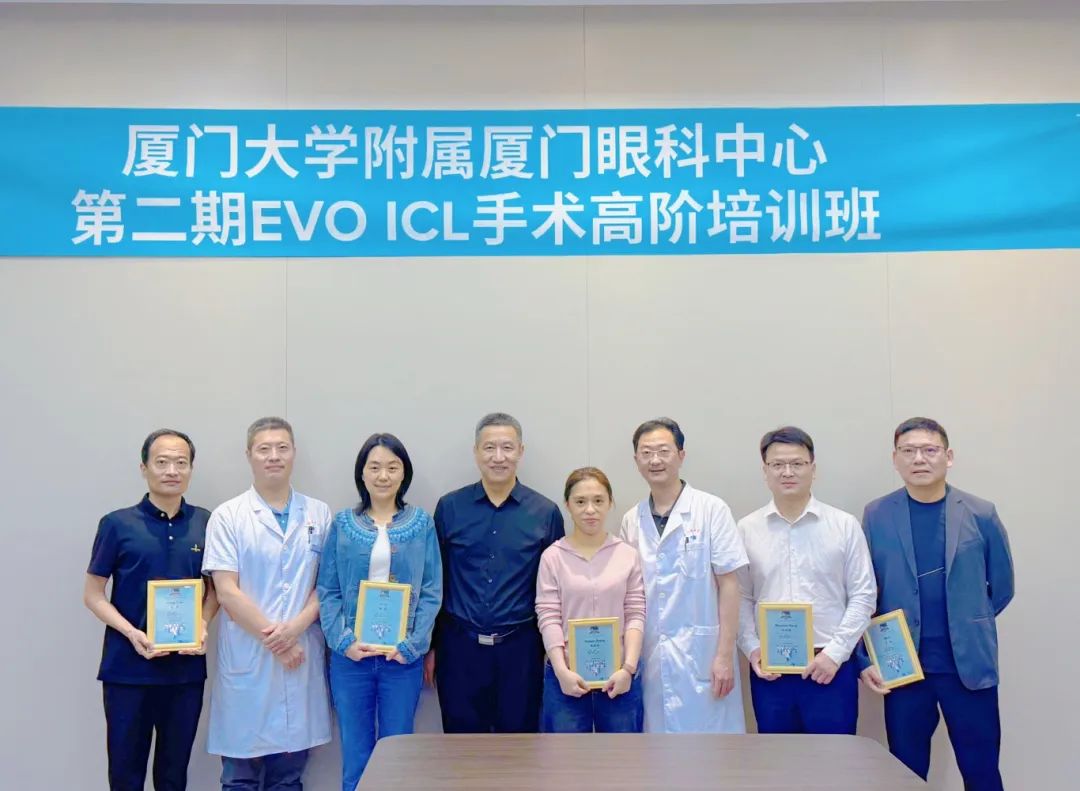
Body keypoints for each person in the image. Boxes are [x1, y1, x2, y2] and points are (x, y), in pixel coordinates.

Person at [859, 417, 1014, 790]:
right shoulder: (877, 514)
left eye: (929, 450)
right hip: (904, 668)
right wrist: (867, 658)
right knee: (906, 771)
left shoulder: (981, 512)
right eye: (908, 451)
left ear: (949, 456)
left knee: (981, 770)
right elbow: (866, 591)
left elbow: (1002, 587)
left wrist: (966, 620)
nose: (919, 459)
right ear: (895, 459)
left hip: (968, 668)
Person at [202, 417, 332, 791]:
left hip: (299, 654)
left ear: (294, 453)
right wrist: (278, 641)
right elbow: (226, 591)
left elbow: (327, 585)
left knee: (288, 778)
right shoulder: (228, 516)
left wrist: (295, 630)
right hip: (250, 657)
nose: (274, 456)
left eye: (282, 448)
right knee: (239, 778)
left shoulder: (319, 514)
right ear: (249, 455)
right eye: (264, 449)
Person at [84, 429, 218, 791]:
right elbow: (93, 594)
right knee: (125, 775)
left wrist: (203, 624)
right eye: (162, 462)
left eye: (181, 462)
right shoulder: (116, 524)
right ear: (144, 468)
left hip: (185, 672)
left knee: (174, 776)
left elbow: (215, 591)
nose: (172, 470)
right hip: (127, 671)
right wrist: (132, 633)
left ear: (190, 469)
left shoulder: (207, 523)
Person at [317, 433, 442, 791]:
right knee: (356, 756)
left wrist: (412, 645)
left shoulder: (422, 524)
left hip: (401, 661)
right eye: (374, 467)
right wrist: (343, 641)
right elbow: (328, 589)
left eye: (392, 467)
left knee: (397, 756)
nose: (383, 476)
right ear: (362, 473)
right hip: (351, 660)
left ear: (404, 474)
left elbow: (432, 590)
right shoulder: (343, 524)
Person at [427, 412, 564, 733]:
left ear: (520, 451)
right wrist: (431, 647)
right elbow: (435, 581)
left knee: (519, 749)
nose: (498, 457)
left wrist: (554, 650)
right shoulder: (450, 508)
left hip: (522, 652)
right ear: (476, 452)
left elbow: (557, 590)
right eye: (489, 448)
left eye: (507, 447)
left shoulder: (545, 513)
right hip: (459, 650)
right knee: (462, 749)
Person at [736, 426, 876, 735]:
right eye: (777, 464)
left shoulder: (844, 525)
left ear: (813, 469)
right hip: (771, 669)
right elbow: (741, 597)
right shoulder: (746, 529)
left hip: (830, 666)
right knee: (778, 759)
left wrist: (835, 654)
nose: (787, 472)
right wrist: (753, 649)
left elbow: (863, 595)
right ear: (765, 471)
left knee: (835, 758)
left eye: (797, 463)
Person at [618, 417, 749, 733]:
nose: (655, 460)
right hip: (653, 655)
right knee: (657, 748)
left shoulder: (711, 509)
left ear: (681, 455)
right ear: (636, 460)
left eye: (664, 451)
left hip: (704, 655)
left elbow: (730, 585)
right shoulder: (631, 520)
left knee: (711, 749)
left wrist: (724, 655)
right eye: (646, 453)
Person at [536, 467, 646, 733]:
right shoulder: (552, 557)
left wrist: (628, 668)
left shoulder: (627, 555)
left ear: (610, 503)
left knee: (622, 755)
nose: (590, 510)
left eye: (598, 500)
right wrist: (561, 671)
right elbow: (548, 616)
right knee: (566, 756)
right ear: (567, 505)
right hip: (566, 677)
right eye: (580, 502)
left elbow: (635, 613)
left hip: (620, 677)